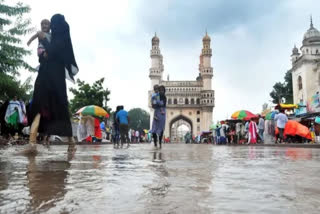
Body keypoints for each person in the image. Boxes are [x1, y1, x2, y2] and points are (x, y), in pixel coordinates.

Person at [28, 14, 78, 153]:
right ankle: (32, 143)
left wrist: (45, 41)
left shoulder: (61, 40)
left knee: (59, 109)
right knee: (39, 105)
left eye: (52, 24)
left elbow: (53, 52)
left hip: (55, 81)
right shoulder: (54, 38)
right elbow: (43, 57)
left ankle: (71, 143)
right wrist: (44, 51)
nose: (50, 27)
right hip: (44, 77)